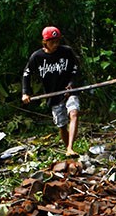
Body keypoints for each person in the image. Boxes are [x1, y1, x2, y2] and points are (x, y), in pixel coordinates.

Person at [22, 26, 81, 157]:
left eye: (57, 41)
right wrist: (26, 92)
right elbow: (26, 74)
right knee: (61, 124)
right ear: (45, 42)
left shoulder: (67, 52)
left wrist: (72, 83)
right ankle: (68, 150)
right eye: (52, 42)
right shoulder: (37, 57)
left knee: (74, 113)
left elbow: (76, 68)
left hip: (69, 91)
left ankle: (71, 147)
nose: (55, 44)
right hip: (53, 94)